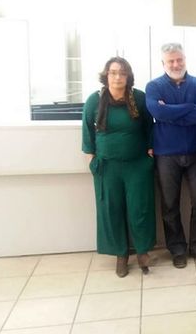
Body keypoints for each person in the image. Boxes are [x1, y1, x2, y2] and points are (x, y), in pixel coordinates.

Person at [82, 56, 156, 278]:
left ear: (128, 76)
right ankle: (121, 255)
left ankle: (142, 251)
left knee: (140, 209)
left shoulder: (139, 98)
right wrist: (92, 161)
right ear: (106, 76)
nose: (117, 77)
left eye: (122, 73)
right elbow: (87, 133)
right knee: (111, 210)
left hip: (137, 165)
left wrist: (150, 152)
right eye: (113, 73)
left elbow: (150, 127)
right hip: (107, 168)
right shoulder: (94, 100)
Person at [145, 43, 196, 268]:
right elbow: (157, 111)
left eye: (179, 59)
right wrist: (189, 107)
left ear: (185, 59)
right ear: (163, 63)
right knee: (169, 205)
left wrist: (170, 113)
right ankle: (177, 250)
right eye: (170, 61)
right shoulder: (154, 86)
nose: (175, 64)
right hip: (166, 155)